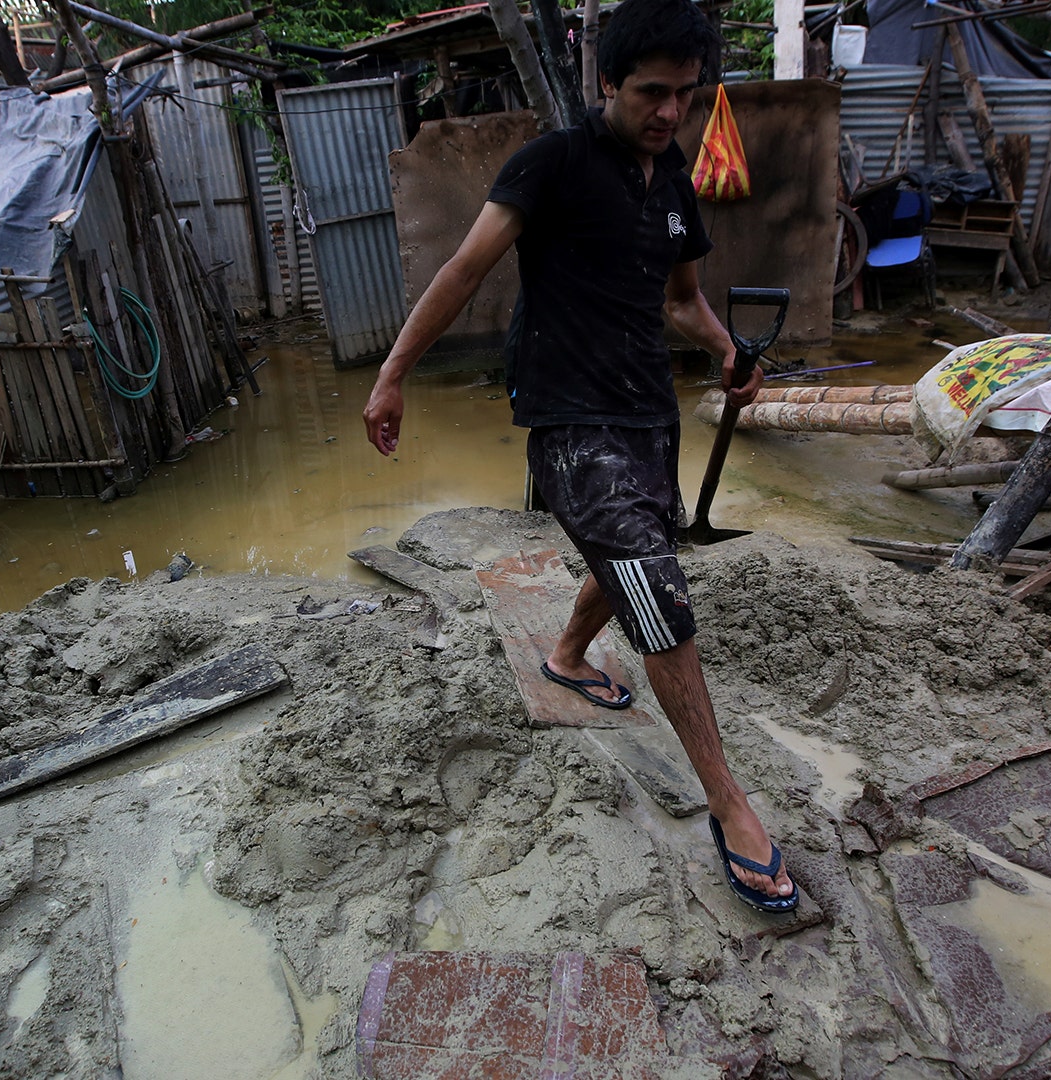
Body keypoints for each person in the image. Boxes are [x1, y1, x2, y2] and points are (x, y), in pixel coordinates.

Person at [360, 0, 795, 912]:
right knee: (653, 579)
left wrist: (721, 349)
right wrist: (393, 373)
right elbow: (464, 270)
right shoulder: (552, 164)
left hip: (645, 407)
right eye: (651, 92)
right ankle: (731, 805)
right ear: (608, 83)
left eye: (685, 94)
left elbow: (681, 298)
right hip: (566, 413)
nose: (670, 111)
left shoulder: (673, 180)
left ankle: (564, 654)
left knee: (641, 543)